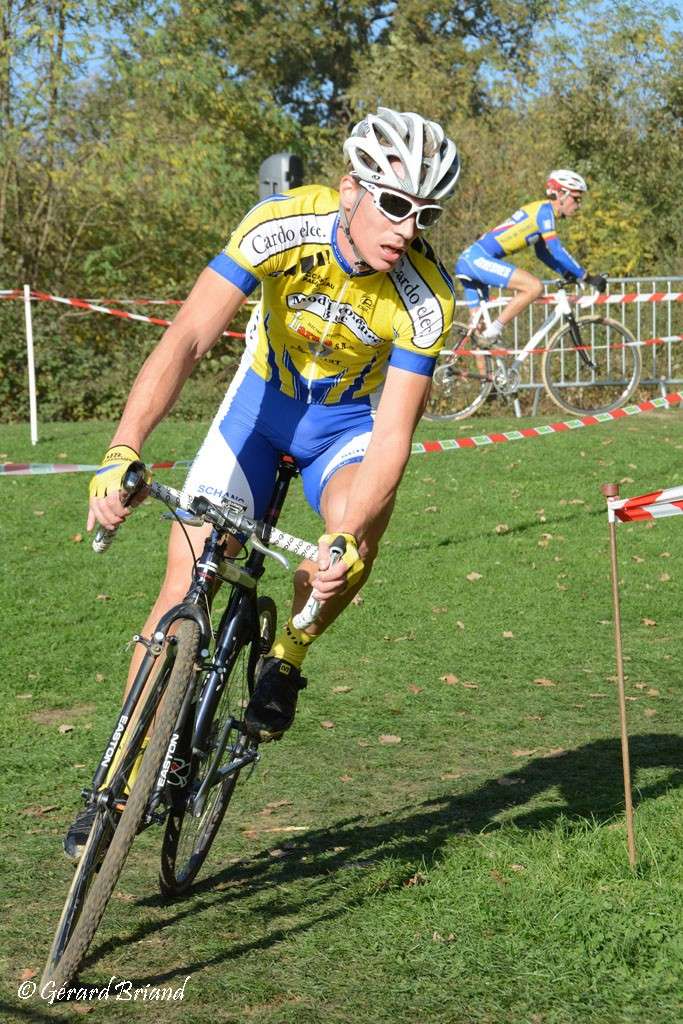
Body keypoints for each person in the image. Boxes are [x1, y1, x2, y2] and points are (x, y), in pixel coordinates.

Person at [64, 106, 460, 859]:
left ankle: (289, 656)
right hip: (258, 410)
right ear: (350, 188)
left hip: (343, 431)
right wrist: (123, 447)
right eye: (395, 204)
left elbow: (396, 436)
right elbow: (186, 335)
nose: (408, 229)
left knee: (353, 535)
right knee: (185, 582)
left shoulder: (427, 297)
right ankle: (112, 783)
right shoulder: (281, 225)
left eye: (426, 214)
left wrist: (340, 538)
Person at [455, 169, 607, 343]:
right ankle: (494, 331)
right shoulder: (544, 212)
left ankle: (469, 369)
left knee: (477, 329)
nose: (578, 205)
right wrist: (586, 276)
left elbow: (543, 254)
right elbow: (556, 249)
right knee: (534, 287)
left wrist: (566, 273)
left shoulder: (541, 211)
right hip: (477, 259)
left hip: (472, 260)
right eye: (576, 199)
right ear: (561, 194)